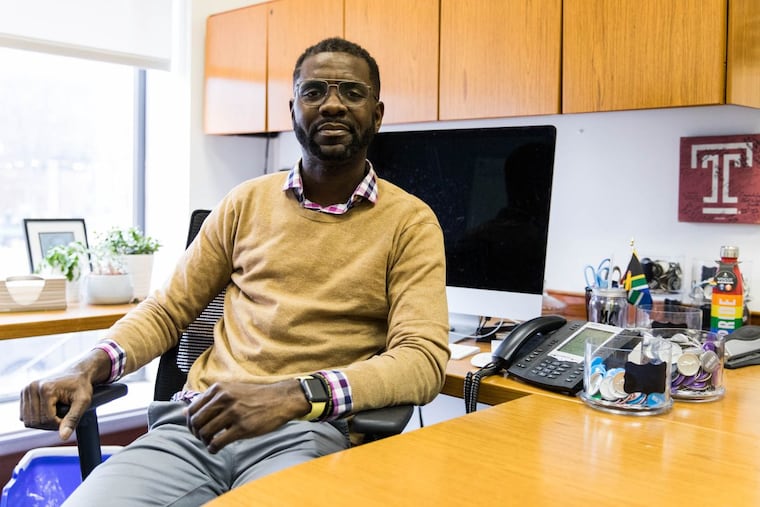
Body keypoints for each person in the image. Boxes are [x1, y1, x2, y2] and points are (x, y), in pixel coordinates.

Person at [20, 37, 449, 506]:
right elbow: (167, 310)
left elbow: (421, 359)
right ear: (293, 109)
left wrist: (298, 394)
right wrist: (87, 365)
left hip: (306, 435)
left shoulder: (410, 222)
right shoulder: (245, 202)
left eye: (351, 92)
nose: (332, 105)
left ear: (378, 113)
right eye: (314, 91)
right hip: (196, 427)